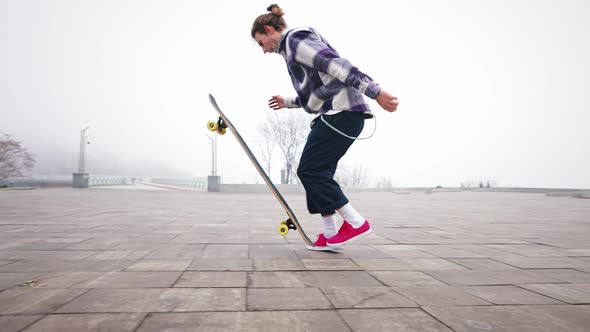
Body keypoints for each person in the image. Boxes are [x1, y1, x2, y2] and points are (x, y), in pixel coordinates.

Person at [251, 4, 399, 250]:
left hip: (343, 113)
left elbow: (337, 66)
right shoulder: (291, 51)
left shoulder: (296, 41)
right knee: (317, 172)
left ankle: (355, 222)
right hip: (336, 114)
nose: (263, 50)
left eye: (260, 42)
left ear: (268, 30)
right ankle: (330, 234)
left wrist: (376, 92)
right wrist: (287, 102)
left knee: (310, 170)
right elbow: (315, 93)